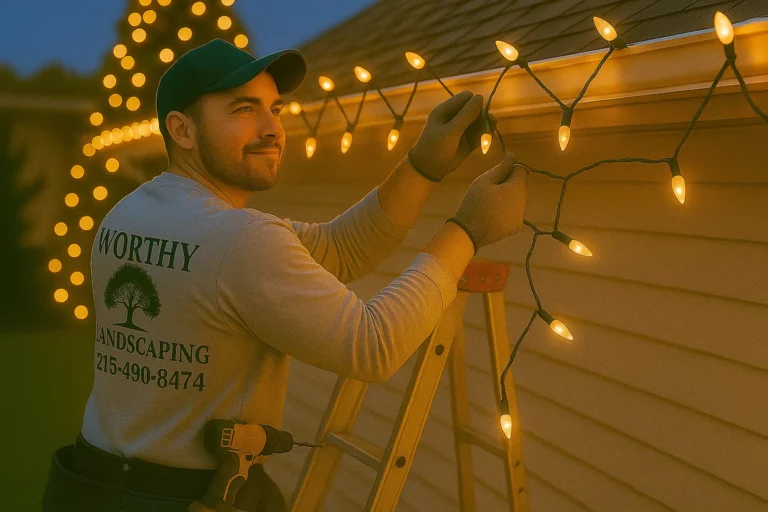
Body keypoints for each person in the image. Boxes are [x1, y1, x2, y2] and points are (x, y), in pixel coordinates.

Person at [42, 38, 529, 512]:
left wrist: (421, 168)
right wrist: (467, 231)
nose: (272, 129)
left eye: (274, 109)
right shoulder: (239, 239)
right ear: (182, 130)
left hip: (88, 485)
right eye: (243, 110)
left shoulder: (127, 215)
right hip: (177, 497)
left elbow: (341, 249)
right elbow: (373, 345)